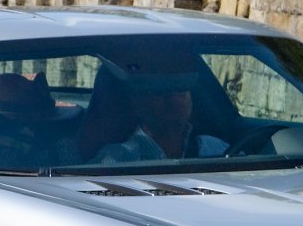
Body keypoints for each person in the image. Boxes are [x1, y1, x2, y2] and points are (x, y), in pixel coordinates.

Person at [95, 67, 226, 163]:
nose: (175, 100)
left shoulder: (214, 148)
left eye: (181, 91)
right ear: (137, 103)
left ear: (191, 100)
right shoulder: (116, 157)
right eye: (159, 93)